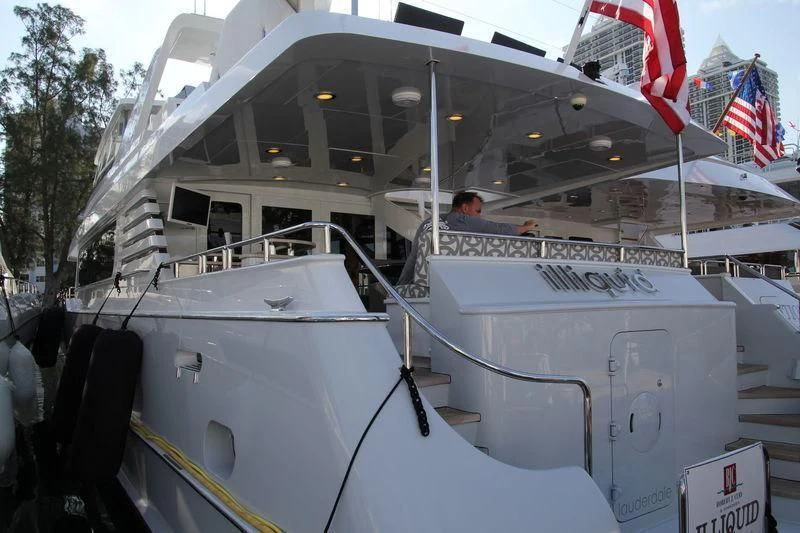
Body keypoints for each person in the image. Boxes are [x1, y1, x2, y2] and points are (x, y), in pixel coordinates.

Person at [397, 191, 538, 285]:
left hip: (411, 283)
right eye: (478, 211)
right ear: (465, 208)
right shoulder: (460, 219)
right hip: (437, 286)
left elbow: (415, 256)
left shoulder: (430, 221)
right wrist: (525, 227)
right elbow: (496, 229)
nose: (479, 216)